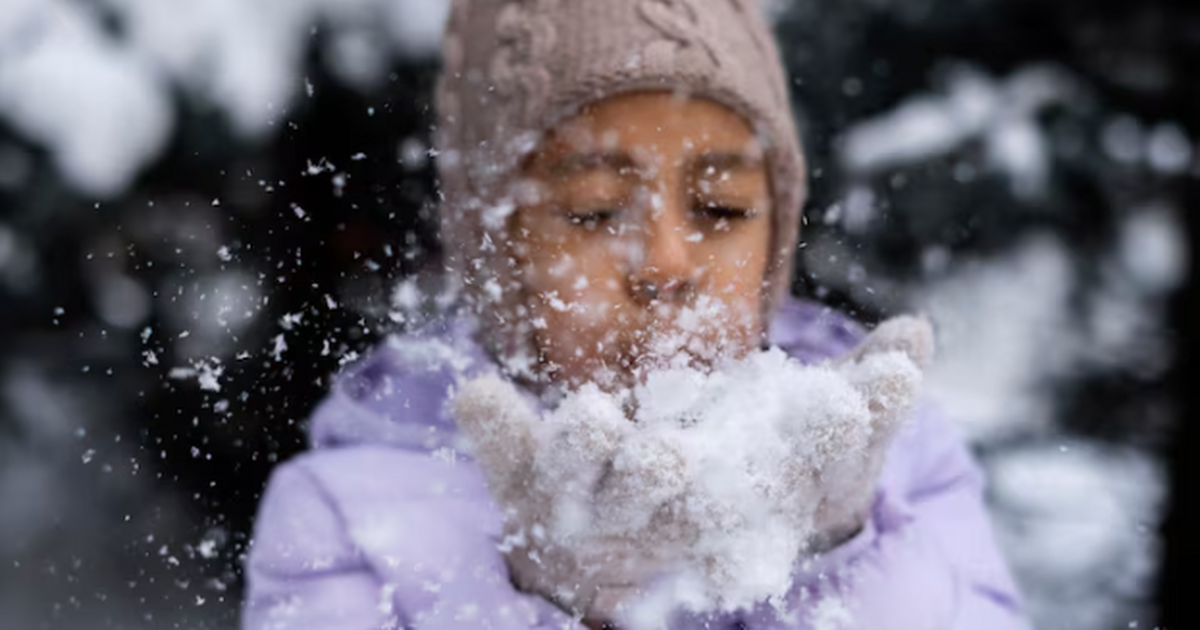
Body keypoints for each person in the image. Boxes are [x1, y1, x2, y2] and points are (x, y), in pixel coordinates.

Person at [242, 1, 1030, 629]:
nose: (667, 266)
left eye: (720, 208)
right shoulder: (346, 514)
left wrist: (839, 563)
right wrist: (551, 604)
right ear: (497, 251)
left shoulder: (899, 462)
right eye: (594, 212)